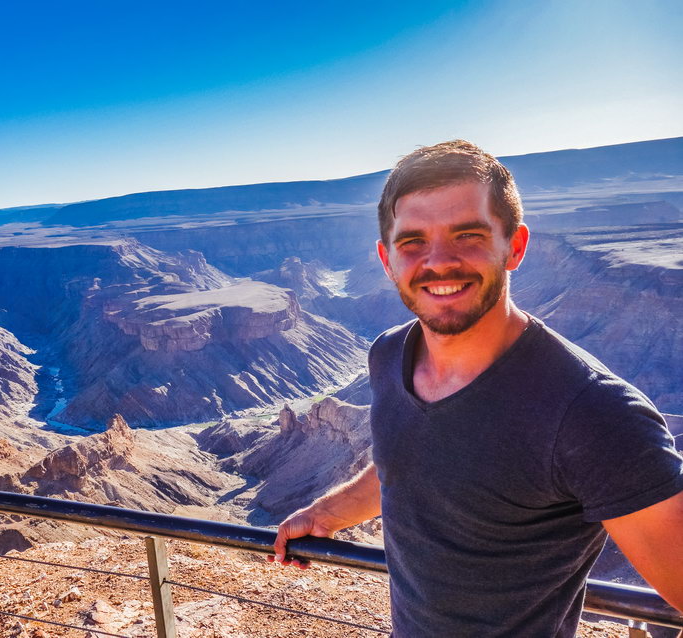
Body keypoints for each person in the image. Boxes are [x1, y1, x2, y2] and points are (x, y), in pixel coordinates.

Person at [269, 140, 683, 636]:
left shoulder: (593, 412)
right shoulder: (388, 355)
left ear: (515, 246)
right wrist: (327, 513)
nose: (439, 261)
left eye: (467, 235)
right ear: (386, 259)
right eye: (413, 242)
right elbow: (409, 461)